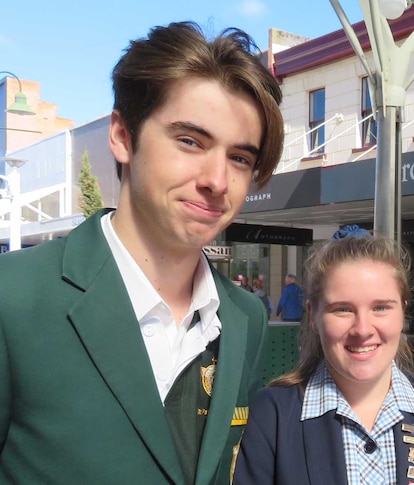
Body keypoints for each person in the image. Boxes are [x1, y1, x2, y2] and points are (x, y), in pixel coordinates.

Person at [0, 21, 284, 484]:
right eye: (190, 141)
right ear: (122, 136)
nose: (216, 179)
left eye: (240, 158)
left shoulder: (244, 316)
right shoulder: (12, 299)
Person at [234, 234, 414, 485]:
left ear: (403, 312)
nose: (363, 329)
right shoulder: (273, 414)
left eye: (380, 307)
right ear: (313, 315)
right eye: (343, 309)